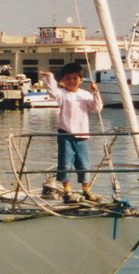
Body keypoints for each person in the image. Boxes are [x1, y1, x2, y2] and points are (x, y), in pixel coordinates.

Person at [39, 62, 104, 202]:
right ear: (62, 80)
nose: (72, 81)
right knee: (65, 163)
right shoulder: (62, 94)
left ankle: (86, 190)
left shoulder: (85, 95)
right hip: (65, 134)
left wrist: (95, 92)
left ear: (81, 80)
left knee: (84, 164)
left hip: (83, 136)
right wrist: (50, 77)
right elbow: (52, 93)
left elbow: (96, 108)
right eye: (68, 78)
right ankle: (67, 191)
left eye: (75, 78)